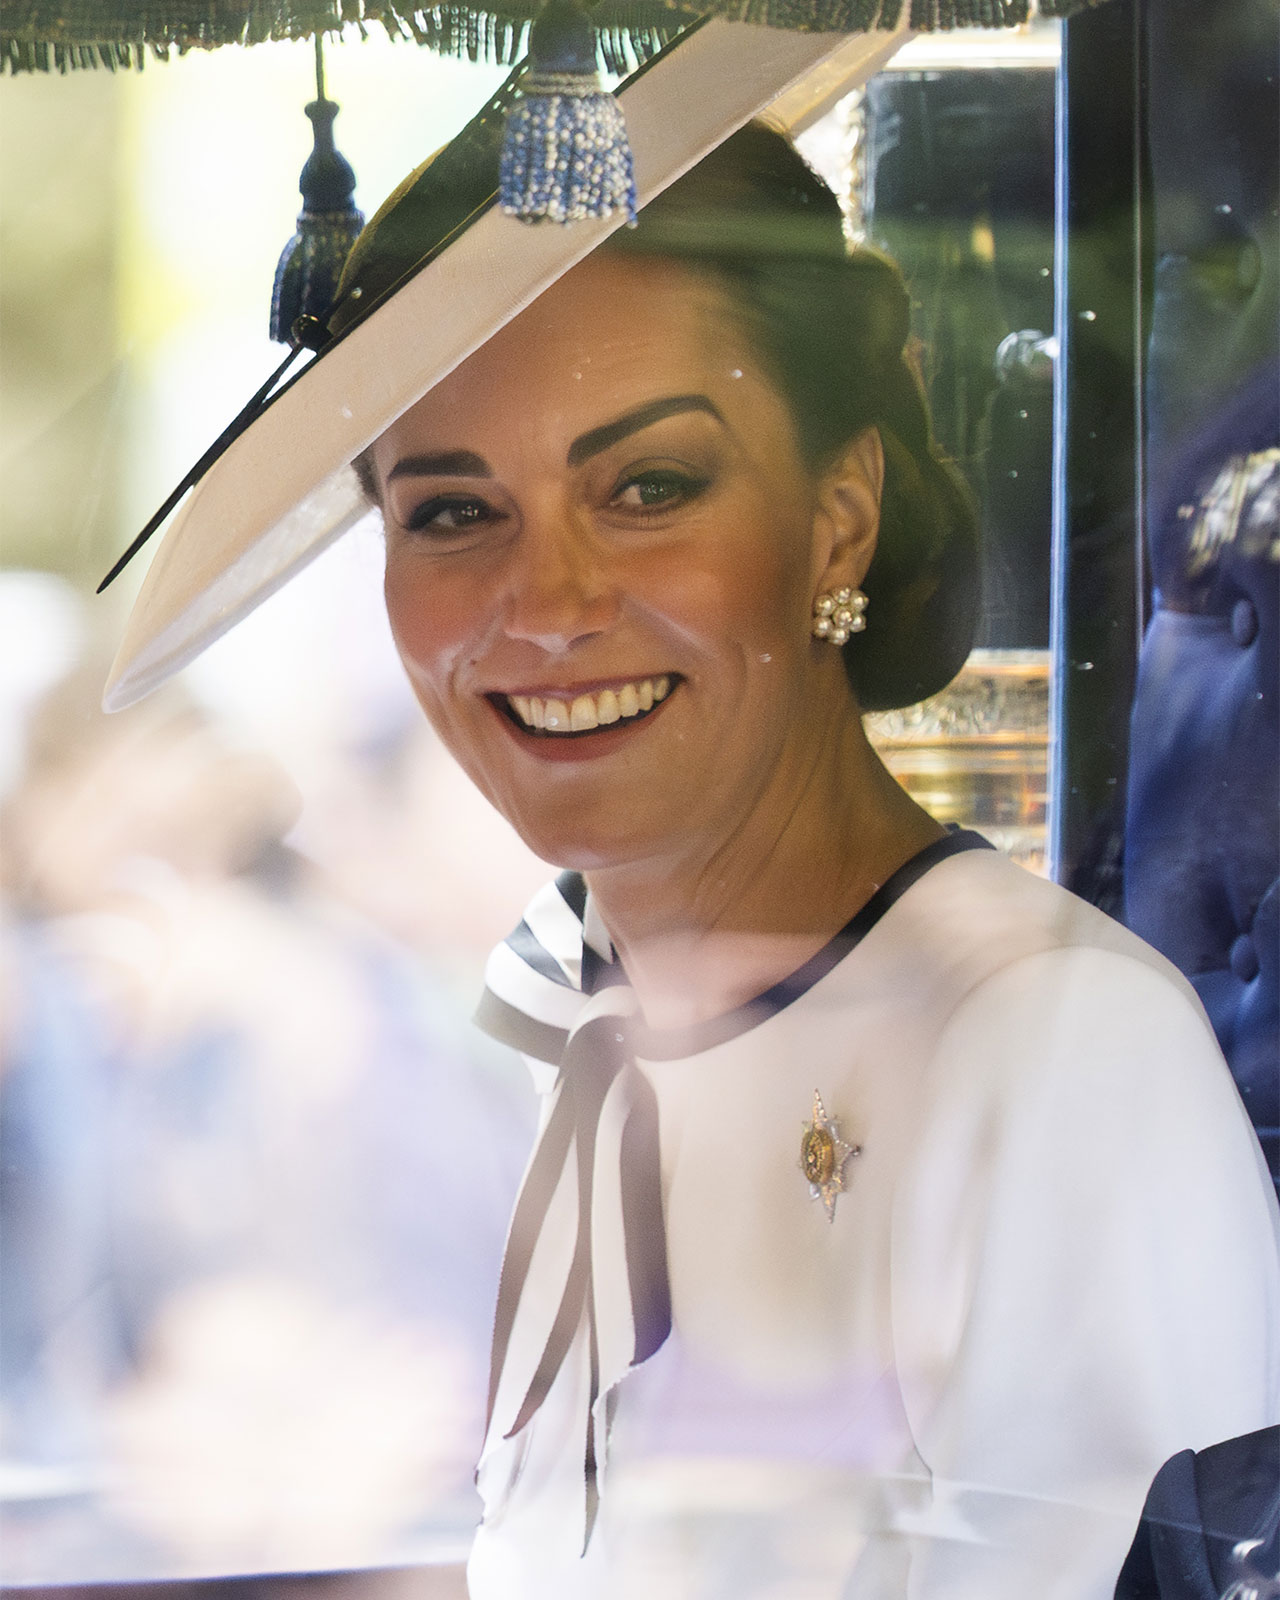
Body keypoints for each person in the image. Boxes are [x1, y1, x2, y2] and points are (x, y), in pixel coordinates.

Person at [104, 62, 1280, 1600]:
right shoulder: (591, 1020)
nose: (548, 608)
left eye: (649, 485)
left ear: (837, 516)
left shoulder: (1047, 1047)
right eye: (454, 512)